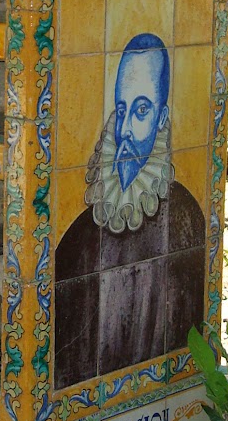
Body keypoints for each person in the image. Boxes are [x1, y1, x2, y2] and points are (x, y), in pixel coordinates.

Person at [53, 33, 206, 387]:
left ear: (161, 116)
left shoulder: (186, 221)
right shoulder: (78, 237)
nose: (124, 131)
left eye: (141, 110)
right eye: (121, 110)